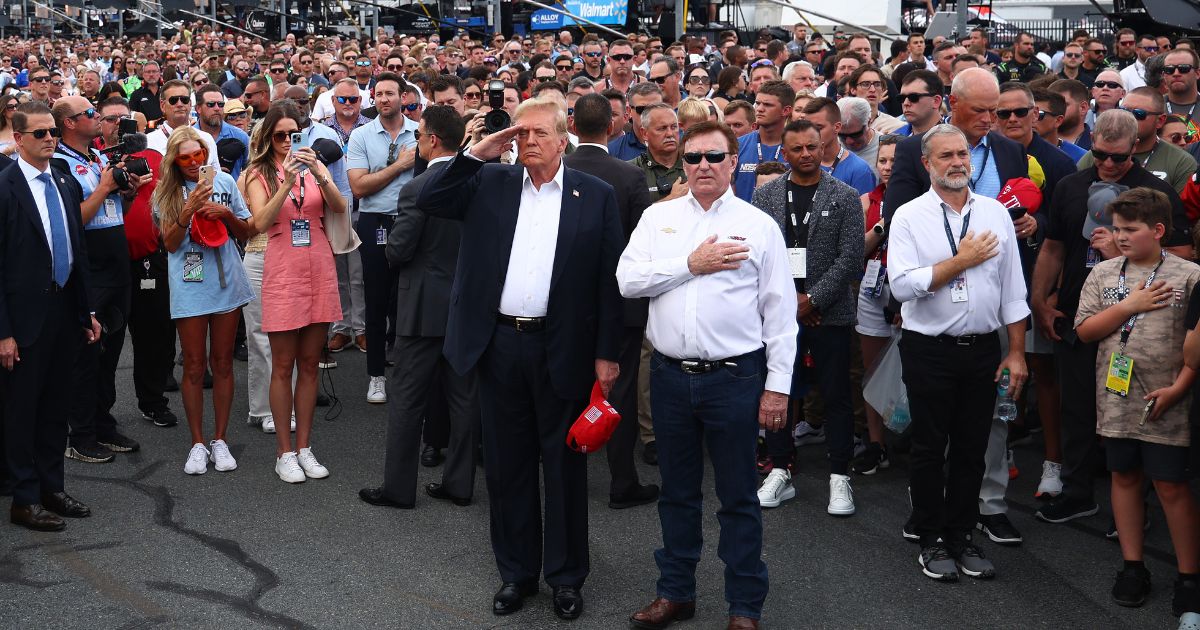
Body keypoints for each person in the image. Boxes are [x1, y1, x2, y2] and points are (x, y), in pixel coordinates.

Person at [416, 97, 624, 621]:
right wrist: (478, 150)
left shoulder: (593, 195)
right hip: (498, 343)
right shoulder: (490, 181)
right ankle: (516, 573)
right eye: (520, 132)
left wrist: (607, 355)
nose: (527, 141)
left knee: (564, 467)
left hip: (565, 345)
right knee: (507, 467)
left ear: (563, 140)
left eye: (538, 133)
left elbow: (608, 280)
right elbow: (429, 197)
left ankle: (567, 576)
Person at [618, 120, 797, 630]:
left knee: (738, 496)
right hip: (671, 378)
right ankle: (675, 592)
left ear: (733, 163)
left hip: (736, 378)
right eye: (693, 158)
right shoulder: (658, 218)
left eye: (714, 157)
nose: (702, 167)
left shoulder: (759, 225)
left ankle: (744, 605)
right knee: (677, 492)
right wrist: (689, 264)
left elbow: (779, 314)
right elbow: (627, 280)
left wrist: (778, 386)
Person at [1031, 109, 1193, 527]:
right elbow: (1052, 248)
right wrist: (1040, 302)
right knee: (1078, 410)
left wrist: (1122, 255)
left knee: (1137, 415)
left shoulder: (1153, 194)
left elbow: (1185, 256)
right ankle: (1078, 492)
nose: (1107, 163)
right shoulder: (1071, 186)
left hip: (1144, 326)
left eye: (1117, 158)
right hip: (1079, 317)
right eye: (1100, 154)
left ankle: (1136, 510)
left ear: (1134, 149)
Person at [889, 124, 1030, 582]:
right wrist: (960, 262)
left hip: (983, 350)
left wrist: (1016, 353)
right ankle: (929, 538)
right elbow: (902, 285)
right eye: (945, 156)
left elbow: (1013, 289)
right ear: (926, 164)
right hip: (929, 348)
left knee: (972, 449)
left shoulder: (994, 213)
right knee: (930, 447)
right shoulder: (909, 217)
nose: (957, 163)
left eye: (962, 155)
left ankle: (962, 535)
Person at [1074, 187, 1200, 614]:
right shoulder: (1104, 273)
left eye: (1131, 229)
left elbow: (1196, 344)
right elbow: (1086, 331)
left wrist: (1180, 387)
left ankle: (1189, 575)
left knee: (1170, 485)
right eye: (1117, 229)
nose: (1121, 236)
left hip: (1167, 397)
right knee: (1124, 476)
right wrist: (1131, 305)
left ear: (1158, 230)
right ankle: (1133, 566)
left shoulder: (1188, 275)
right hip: (1117, 396)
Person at [358, 105, 479, 508]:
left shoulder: (418, 188)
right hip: (466, 305)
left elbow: (398, 249)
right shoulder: (478, 182)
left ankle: (397, 488)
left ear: (430, 141)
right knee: (463, 399)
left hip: (422, 306)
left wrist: (392, 248)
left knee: (408, 398)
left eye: (419, 134)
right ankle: (460, 484)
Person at [752, 118, 865, 515]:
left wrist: (812, 301)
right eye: (797, 149)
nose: (805, 154)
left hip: (829, 315)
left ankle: (839, 476)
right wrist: (791, 305)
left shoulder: (846, 195)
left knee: (836, 395)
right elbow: (758, 258)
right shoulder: (765, 199)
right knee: (779, 391)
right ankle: (780, 469)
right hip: (780, 315)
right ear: (783, 154)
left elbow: (850, 258)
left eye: (811, 147)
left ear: (823, 147)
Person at [0, 102, 100, 532]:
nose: (48, 139)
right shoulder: (3, 188)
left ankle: (50, 488)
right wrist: (3, 332)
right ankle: (23, 499)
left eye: (52, 132)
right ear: (18, 138)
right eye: (38, 134)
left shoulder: (63, 180)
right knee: (22, 411)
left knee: (56, 408)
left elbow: (76, 250)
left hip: (63, 310)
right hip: (23, 320)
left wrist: (87, 310)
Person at [564, 94, 658, 510]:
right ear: (613, 127)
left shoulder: (557, 171)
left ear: (572, 125)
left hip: (565, 303)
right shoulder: (629, 177)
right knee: (617, 392)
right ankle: (622, 481)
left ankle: (565, 474)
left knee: (565, 387)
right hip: (620, 302)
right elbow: (643, 241)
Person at [244, 103, 346, 483]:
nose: (288, 142)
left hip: (318, 265)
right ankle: (283, 452)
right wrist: (286, 181)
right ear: (268, 138)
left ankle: (304, 446)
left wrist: (321, 174)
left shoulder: (315, 167)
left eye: (293, 134)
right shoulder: (258, 172)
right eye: (280, 136)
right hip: (283, 267)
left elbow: (338, 208)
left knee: (309, 364)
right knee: (282, 364)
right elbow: (259, 222)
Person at [151, 126, 256, 475]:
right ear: (174, 161)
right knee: (195, 364)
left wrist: (225, 214)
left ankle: (220, 439)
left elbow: (246, 232)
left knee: (223, 362)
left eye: (199, 154)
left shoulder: (224, 182)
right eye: (186, 157)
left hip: (226, 279)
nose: (195, 162)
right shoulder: (165, 191)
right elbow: (169, 243)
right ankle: (197, 443)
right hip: (190, 282)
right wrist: (189, 209)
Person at [51, 96, 145, 464]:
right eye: (90, 113)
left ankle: (103, 422)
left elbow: (114, 210)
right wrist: (105, 188)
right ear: (70, 124)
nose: (98, 118)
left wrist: (127, 192)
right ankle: (80, 434)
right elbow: (72, 218)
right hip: (90, 269)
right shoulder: (59, 163)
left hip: (117, 263)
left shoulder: (98, 157)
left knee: (111, 353)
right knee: (87, 354)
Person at [346, 72, 418, 404]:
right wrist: (401, 166)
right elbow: (359, 187)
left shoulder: (420, 133)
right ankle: (376, 375)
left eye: (391, 93)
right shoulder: (361, 136)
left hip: (412, 220)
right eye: (379, 93)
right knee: (376, 300)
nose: (385, 98)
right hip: (375, 221)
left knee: (408, 301)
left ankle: (407, 373)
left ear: (404, 97)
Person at [1078, 87, 1195, 194]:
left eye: (1139, 114)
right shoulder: (1096, 156)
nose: (1129, 117)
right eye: (1124, 111)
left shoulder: (1181, 162)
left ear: (1160, 121)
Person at [798, 97, 876, 195]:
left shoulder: (859, 170)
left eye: (818, 127)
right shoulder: (797, 162)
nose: (811, 133)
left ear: (837, 127)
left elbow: (864, 209)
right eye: (807, 127)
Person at [734, 80, 794, 201]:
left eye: (767, 105)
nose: (759, 109)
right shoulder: (737, 145)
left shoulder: (797, 148)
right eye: (757, 103)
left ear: (786, 110)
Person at [631, 104, 687, 204]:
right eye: (662, 128)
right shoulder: (631, 171)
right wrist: (671, 199)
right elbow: (630, 216)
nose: (670, 134)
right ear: (644, 133)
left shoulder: (696, 163)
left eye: (674, 127)